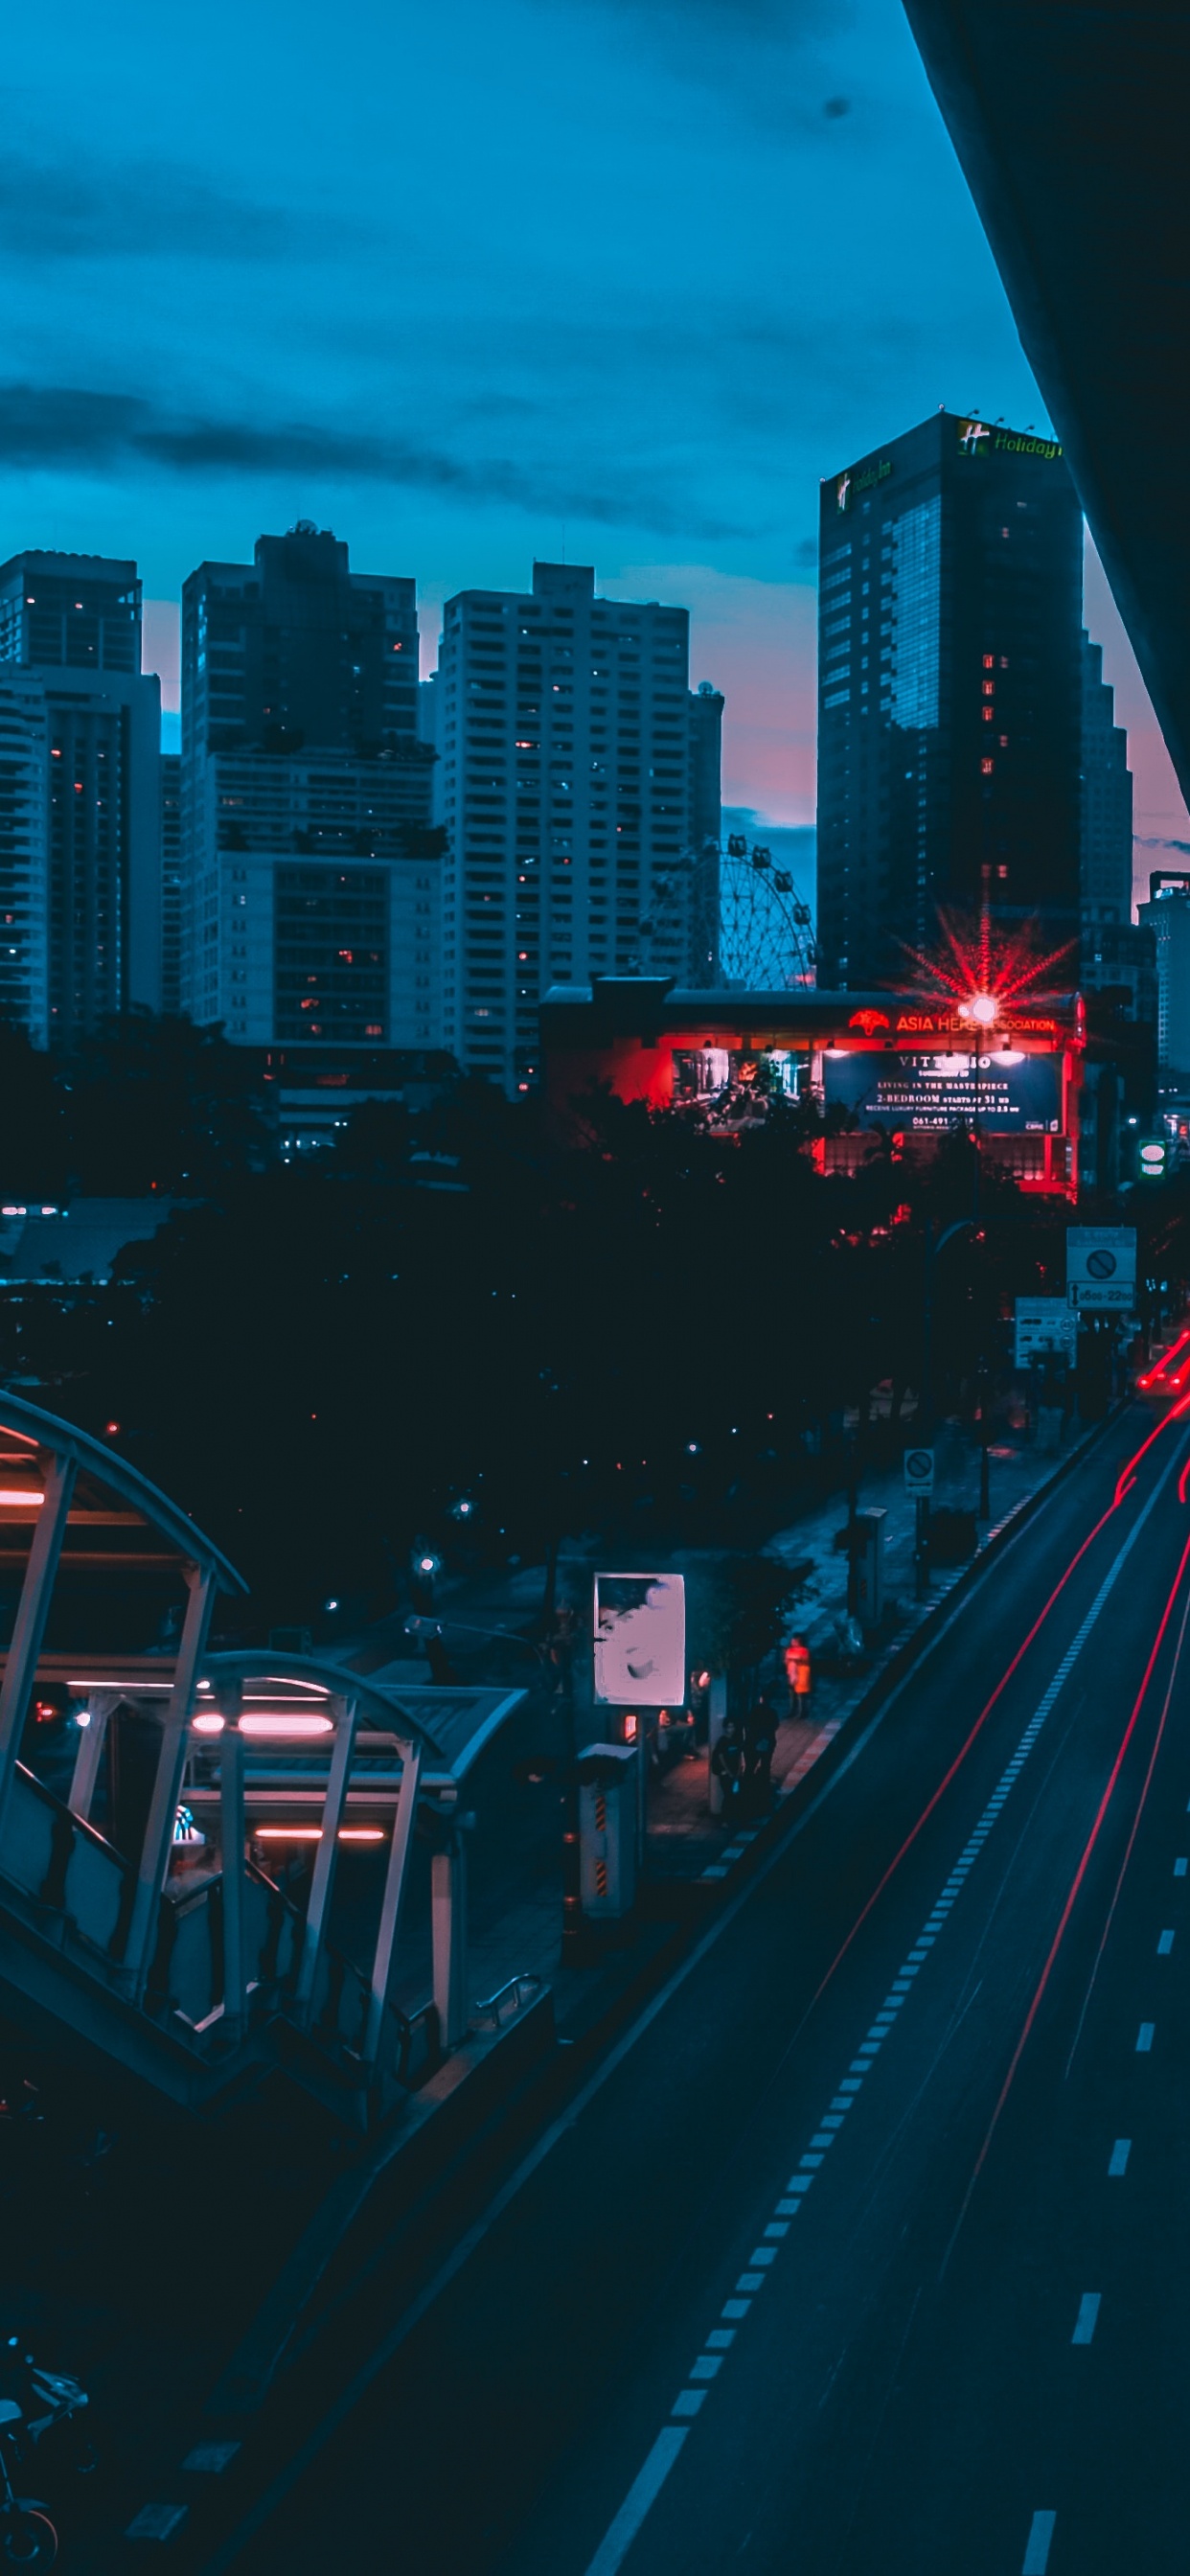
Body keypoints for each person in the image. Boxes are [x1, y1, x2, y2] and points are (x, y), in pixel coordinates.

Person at [743, 1690, 778, 1813]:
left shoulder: (754, 1711)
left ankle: (747, 1791)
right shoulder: (771, 1712)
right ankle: (763, 1791)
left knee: (750, 1767)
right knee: (765, 1766)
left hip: (753, 1742)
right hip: (767, 1742)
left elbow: (749, 1725)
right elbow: (775, 1726)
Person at [710, 1715, 744, 1820]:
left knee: (733, 1795)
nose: (731, 1729)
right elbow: (721, 1758)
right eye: (729, 1727)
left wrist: (739, 1770)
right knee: (728, 1795)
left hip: (735, 1772)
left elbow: (738, 1756)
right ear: (725, 1728)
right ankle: (725, 1818)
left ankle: (730, 1817)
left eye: (732, 1727)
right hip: (725, 1773)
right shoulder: (722, 1741)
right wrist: (729, 1772)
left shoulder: (736, 1740)